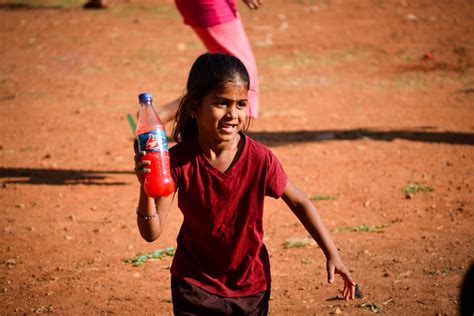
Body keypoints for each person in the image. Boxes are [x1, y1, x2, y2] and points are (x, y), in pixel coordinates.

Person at [134, 53, 355, 315]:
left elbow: (299, 200)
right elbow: (152, 233)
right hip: (193, 285)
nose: (233, 114)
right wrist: (146, 186)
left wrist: (332, 253)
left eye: (240, 104)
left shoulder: (260, 159)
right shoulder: (179, 160)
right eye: (221, 103)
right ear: (194, 107)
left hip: (250, 287)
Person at [158, 0, 262, 124]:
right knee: (241, 74)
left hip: (213, 5)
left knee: (231, 73)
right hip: (213, 5)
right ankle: (162, 116)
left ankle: (164, 115)